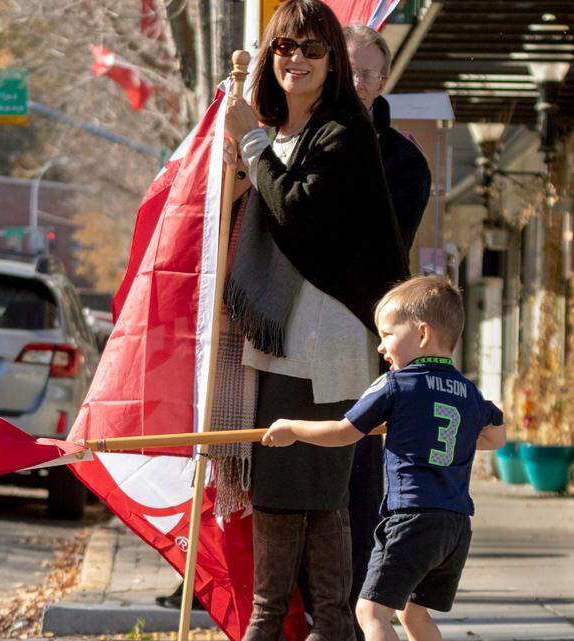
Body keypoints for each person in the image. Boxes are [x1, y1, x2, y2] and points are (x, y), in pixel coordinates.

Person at [222, 1, 410, 639]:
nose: (294, 60)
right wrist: (244, 148)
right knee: (293, 496)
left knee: (309, 493)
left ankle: (285, 627)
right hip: (275, 342)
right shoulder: (278, 136)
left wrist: (249, 139)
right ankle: (291, 625)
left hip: (326, 346)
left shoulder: (343, 130)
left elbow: (296, 215)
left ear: (331, 63)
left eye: (310, 50)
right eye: (284, 48)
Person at [262, 275, 506, 641]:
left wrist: (292, 428)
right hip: (455, 524)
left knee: (370, 611)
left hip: (411, 518)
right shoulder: (468, 391)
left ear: (421, 334)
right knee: (414, 615)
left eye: (388, 334)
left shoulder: (395, 385)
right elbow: (496, 437)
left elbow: (344, 432)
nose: (381, 346)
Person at [342, 23, 432, 641]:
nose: (362, 83)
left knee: (365, 485)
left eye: (373, 73)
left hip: (368, 340)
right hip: (287, 344)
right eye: (351, 69)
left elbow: (375, 249)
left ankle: (360, 610)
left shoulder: (402, 160)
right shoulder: (288, 138)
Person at [344, 24, 431, 251]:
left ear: (381, 84)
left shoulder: (406, 159)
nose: (356, 83)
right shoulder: (293, 133)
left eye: (367, 75)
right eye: (349, 71)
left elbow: (391, 248)